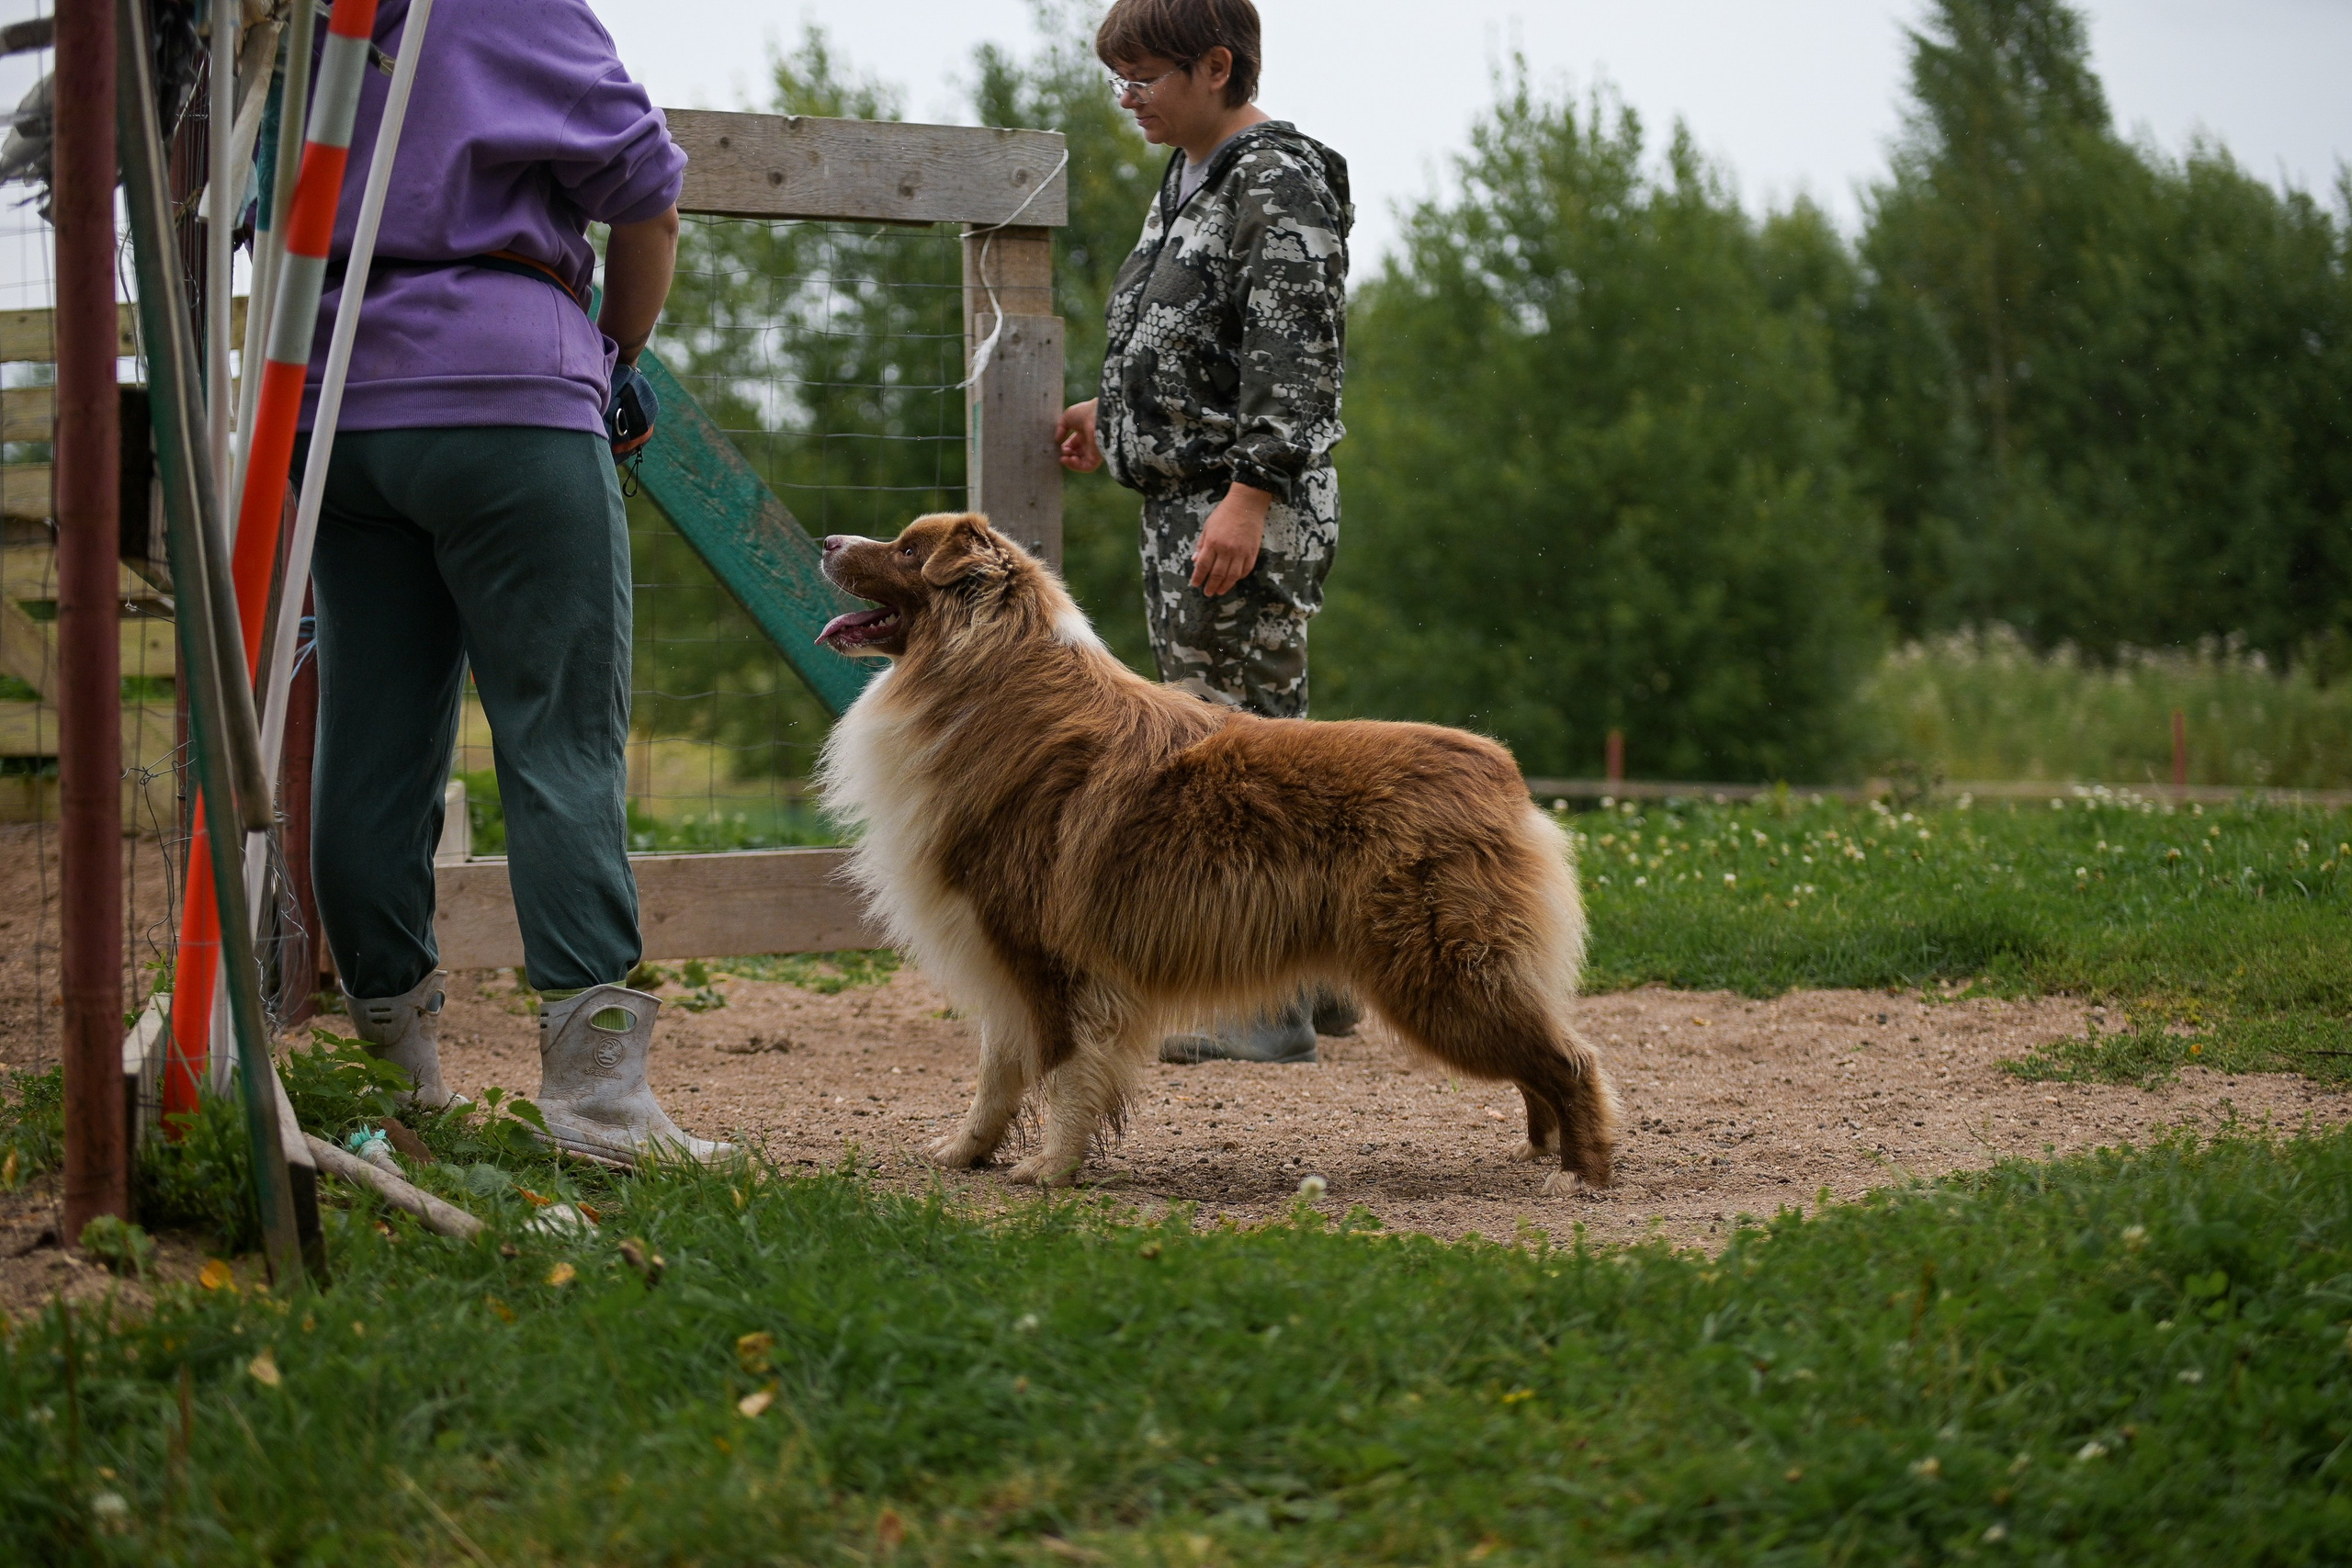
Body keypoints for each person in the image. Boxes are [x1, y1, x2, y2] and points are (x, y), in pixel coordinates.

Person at [295, 0, 724, 1162]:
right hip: (508, 394)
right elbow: (646, 196)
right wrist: (616, 357)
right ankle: (596, 1104)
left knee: (370, 739)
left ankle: (394, 1075)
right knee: (558, 734)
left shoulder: (288, 25)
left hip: (332, 402)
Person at [1056, 0, 1357, 1063]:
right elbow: (1190, 333)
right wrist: (1119, 413)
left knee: (1233, 757)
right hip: (1188, 500)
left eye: (1144, 76)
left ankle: (1257, 1009)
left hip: (1236, 512)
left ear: (1216, 65)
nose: (1127, 97)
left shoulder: (1277, 178)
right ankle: (1320, 979)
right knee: (1263, 732)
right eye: (1119, 78)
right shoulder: (1190, 174)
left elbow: (1297, 354)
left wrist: (1250, 496)